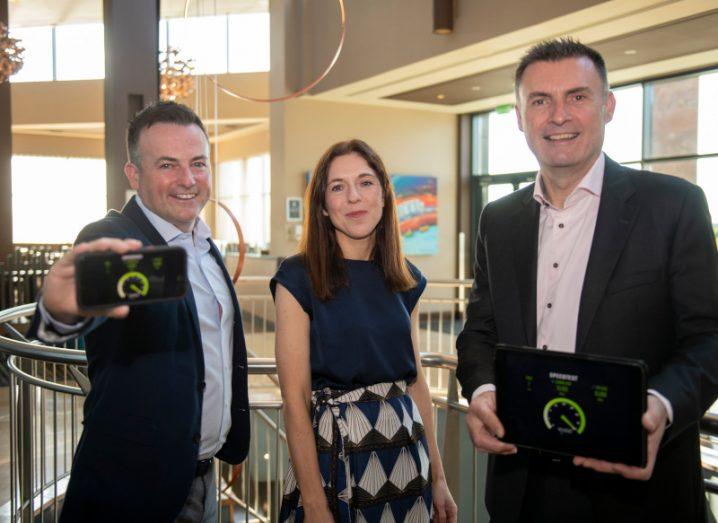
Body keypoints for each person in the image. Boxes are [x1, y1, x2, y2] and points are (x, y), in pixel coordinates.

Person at [456, 38, 718, 522]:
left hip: (638, 493)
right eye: (540, 101)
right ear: (519, 116)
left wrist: (658, 406)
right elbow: (479, 331)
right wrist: (482, 392)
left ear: (608, 106)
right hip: (523, 488)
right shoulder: (498, 219)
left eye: (576, 96)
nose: (558, 116)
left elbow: (707, 338)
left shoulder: (675, 206)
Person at [28, 101, 250, 522]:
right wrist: (61, 309)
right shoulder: (114, 237)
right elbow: (90, 298)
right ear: (134, 174)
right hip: (131, 490)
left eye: (198, 163)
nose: (188, 180)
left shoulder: (205, 247)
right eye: (168, 165)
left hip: (202, 478)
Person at [271, 139, 457, 522]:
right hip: (334, 458)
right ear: (323, 206)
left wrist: (438, 476)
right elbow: (295, 399)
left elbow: (417, 384)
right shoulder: (297, 277)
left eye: (366, 183)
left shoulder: (406, 279)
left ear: (385, 195)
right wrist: (317, 506)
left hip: (407, 456)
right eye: (338, 187)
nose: (354, 197)